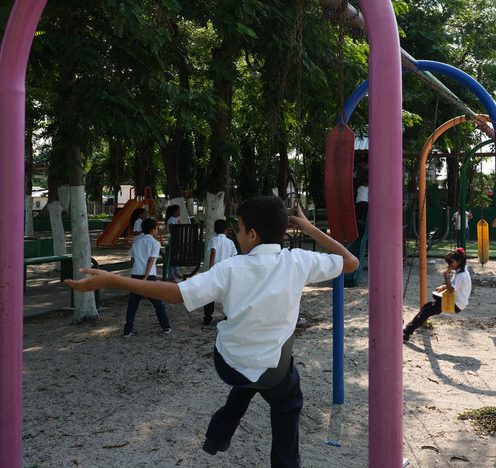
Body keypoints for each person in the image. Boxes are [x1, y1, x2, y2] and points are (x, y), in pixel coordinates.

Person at [65, 195, 358, 467]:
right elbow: (351, 262)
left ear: (252, 235)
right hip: (272, 369)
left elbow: (176, 294)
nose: (237, 235)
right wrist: (309, 228)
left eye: (239, 230)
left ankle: (218, 435)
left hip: (231, 364)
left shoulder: (229, 269)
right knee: (286, 397)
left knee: (250, 373)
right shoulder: (299, 261)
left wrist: (114, 280)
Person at [403, 248, 471, 342]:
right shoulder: (462, 271)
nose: (449, 265)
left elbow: (451, 289)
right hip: (457, 301)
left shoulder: (461, 275)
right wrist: (444, 286)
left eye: (451, 262)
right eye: (448, 263)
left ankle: (406, 332)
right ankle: (408, 330)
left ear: (459, 261)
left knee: (427, 309)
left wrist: (446, 276)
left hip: (456, 304)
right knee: (428, 307)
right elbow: (456, 285)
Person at [123, 218, 172, 337]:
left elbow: (132, 259)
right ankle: (165, 326)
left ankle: (127, 330)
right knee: (157, 303)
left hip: (135, 274)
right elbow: (151, 260)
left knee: (133, 304)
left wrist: (136, 269)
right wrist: (146, 276)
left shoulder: (137, 242)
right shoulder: (155, 243)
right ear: (153, 230)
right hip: (149, 276)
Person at [203, 218, 238, 327]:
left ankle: (207, 317)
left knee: (210, 294)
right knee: (227, 294)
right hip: (226, 270)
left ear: (215, 230)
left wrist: (210, 266)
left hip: (216, 269)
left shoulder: (213, 240)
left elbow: (213, 252)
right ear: (226, 230)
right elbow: (234, 255)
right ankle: (228, 315)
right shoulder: (230, 242)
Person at [165, 204, 183, 281]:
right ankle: (171, 273)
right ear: (175, 212)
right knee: (172, 256)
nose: (180, 212)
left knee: (176, 256)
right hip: (173, 239)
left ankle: (176, 271)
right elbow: (172, 230)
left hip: (178, 239)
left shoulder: (176, 219)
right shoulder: (171, 220)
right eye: (179, 210)